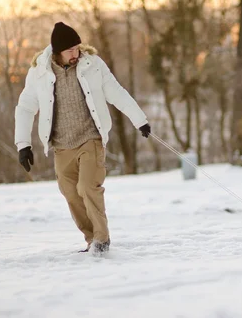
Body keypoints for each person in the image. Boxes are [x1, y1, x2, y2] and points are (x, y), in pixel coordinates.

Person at [14, 22, 151, 255]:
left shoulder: (92, 65)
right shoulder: (39, 72)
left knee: (88, 187)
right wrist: (23, 145)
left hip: (90, 138)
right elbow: (26, 107)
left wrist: (140, 120)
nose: (76, 54)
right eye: (70, 51)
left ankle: (101, 239)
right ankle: (91, 239)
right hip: (61, 144)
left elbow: (116, 92)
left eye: (77, 48)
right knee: (70, 193)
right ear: (57, 52)